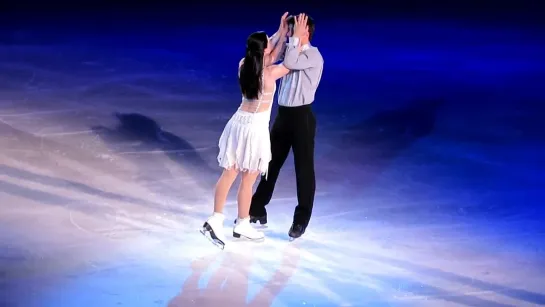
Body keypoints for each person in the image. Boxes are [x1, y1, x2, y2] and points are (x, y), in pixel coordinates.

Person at [201, 13, 293, 249]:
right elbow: (288, 60)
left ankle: (216, 218)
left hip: (237, 122)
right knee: (248, 180)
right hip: (255, 128)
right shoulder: (270, 73)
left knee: (229, 173)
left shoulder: (244, 65)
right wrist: (295, 37)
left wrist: (280, 32)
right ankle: (242, 223)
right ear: (264, 51)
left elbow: (269, 51)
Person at [248, 13, 324, 239]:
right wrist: (281, 32)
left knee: (303, 170)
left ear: (306, 32)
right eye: (291, 31)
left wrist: (293, 39)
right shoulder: (290, 47)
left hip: (302, 118)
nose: (291, 35)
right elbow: (268, 53)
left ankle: (300, 220)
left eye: (295, 30)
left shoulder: (314, 56)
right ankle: (256, 208)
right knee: (269, 164)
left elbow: (291, 62)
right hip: (283, 115)